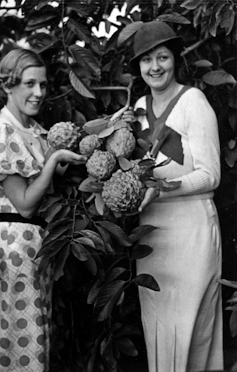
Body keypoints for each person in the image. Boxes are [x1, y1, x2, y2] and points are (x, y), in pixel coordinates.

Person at [0, 48, 86, 372]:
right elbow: (25, 205)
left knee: (36, 332)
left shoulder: (34, 131)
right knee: (21, 337)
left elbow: (50, 182)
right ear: (9, 85)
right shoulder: (2, 134)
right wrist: (54, 159)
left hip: (39, 245)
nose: (39, 93)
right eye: (30, 84)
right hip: (16, 246)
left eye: (42, 84)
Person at [129, 21, 223, 371]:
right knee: (159, 328)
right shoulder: (137, 107)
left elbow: (211, 174)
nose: (155, 67)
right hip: (152, 234)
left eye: (163, 57)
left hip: (191, 230)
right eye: (146, 60)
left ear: (175, 59)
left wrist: (166, 189)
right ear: (138, 67)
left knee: (191, 330)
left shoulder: (193, 101)